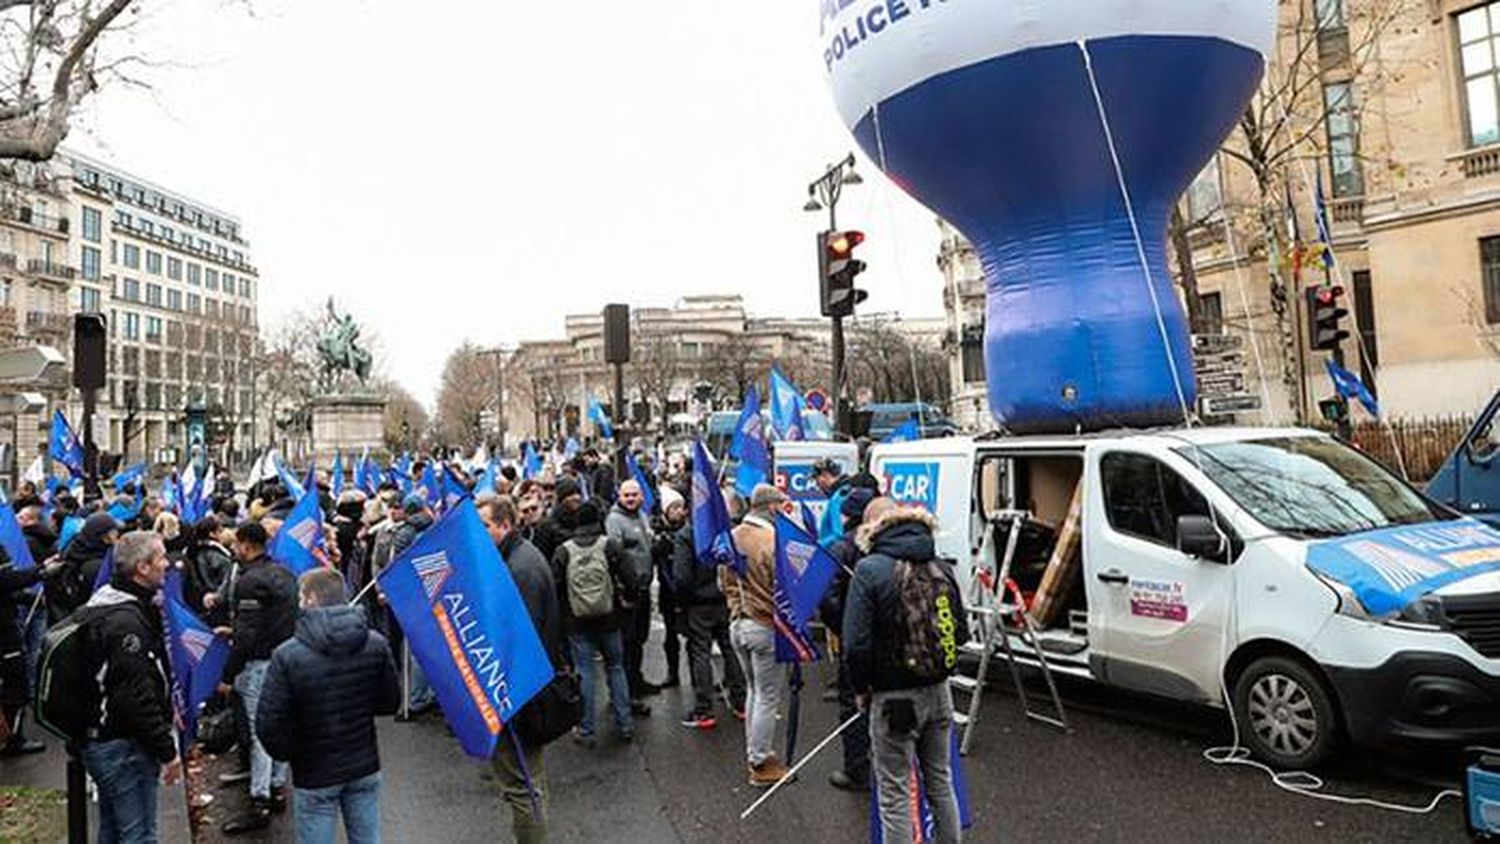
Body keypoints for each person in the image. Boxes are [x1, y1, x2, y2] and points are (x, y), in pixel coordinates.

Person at [844, 499, 970, 843]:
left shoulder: (870, 569)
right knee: (940, 782)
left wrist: (861, 688)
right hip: (940, 692)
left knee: (895, 793)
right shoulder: (940, 566)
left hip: (893, 697)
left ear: (873, 526)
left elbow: (856, 644)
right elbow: (959, 631)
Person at [256, 568, 399, 844]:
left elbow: (269, 723)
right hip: (363, 763)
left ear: (309, 599)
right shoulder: (376, 643)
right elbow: (389, 702)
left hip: (315, 771)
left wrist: (290, 753)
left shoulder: (287, 655)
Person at [79, 531, 183, 843]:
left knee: (113, 829)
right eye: (161, 557)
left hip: (103, 738)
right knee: (139, 835)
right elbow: (134, 694)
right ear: (142, 567)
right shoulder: (126, 622)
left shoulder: (111, 602)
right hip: (123, 744)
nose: (168, 564)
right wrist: (167, 751)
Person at [479, 497, 565, 843]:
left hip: (518, 694)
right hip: (525, 689)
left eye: (484, 526)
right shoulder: (518, 557)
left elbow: (519, 637)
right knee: (531, 781)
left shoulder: (521, 568)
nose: (479, 534)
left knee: (521, 786)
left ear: (504, 525)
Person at [219, 522, 297, 836]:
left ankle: (259, 799)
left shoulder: (250, 581)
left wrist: (228, 674)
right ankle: (277, 788)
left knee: (260, 732)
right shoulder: (284, 573)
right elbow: (276, 618)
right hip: (285, 659)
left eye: (236, 545)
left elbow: (249, 633)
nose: (234, 551)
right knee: (281, 725)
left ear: (246, 545)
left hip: (260, 664)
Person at [551, 501, 633, 746]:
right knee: (616, 668)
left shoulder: (563, 551)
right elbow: (630, 578)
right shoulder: (610, 546)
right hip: (610, 618)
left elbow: (555, 588)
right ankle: (625, 724)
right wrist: (627, 601)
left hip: (577, 623)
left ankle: (587, 729)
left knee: (585, 673)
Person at [724, 484, 790, 787]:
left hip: (737, 622)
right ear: (772, 507)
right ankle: (760, 760)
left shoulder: (732, 536)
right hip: (763, 625)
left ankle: (756, 750)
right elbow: (785, 586)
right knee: (767, 695)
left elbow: (720, 581)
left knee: (754, 690)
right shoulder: (772, 540)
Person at [671, 489, 745, 731]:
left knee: (700, 653)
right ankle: (740, 702)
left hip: (698, 604)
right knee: (729, 649)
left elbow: (681, 577)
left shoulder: (687, 534)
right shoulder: (724, 532)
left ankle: (704, 710)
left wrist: (684, 601)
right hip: (723, 599)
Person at [821, 486, 878, 792]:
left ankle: (857, 768)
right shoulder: (881, 545)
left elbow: (827, 597)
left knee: (853, 701)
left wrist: (844, 627)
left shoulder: (842, 547)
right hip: (883, 639)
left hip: (854, 638)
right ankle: (878, 763)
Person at [0, 548, 61, 755]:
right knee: (15, 685)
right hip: (3, 632)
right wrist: (40, 572)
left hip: (8, 621)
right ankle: (11, 740)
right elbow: (5, 580)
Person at [604, 479, 657, 711]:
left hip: (644, 589)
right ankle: (626, 693)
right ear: (619, 496)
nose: (631, 499)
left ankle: (637, 679)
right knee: (627, 643)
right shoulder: (614, 520)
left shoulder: (643, 517)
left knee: (640, 639)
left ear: (642, 496)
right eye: (627, 495)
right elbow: (614, 557)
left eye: (635, 495)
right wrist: (621, 590)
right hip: (627, 592)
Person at [47, 511, 118, 622]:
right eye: (113, 532)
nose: (117, 535)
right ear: (104, 537)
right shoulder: (95, 566)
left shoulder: (77, 547)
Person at [650, 486, 688, 690]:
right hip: (668, 591)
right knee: (670, 635)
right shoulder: (659, 532)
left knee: (696, 638)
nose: (678, 511)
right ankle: (673, 673)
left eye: (681, 507)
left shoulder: (690, 531)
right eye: (674, 508)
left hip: (687, 591)